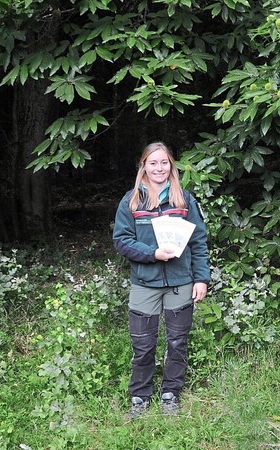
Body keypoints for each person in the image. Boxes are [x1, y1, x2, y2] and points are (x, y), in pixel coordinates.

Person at [113, 141, 210, 419]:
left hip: (181, 282)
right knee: (143, 344)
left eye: (164, 163)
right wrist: (152, 253)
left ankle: (171, 394)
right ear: (143, 166)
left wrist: (201, 278)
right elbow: (121, 241)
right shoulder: (131, 201)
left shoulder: (184, 200)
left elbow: (199, 241)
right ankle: (140, 396)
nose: (159, 168)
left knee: (177, 342)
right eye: (153, 163)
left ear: (171, 166)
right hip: (145, 284)